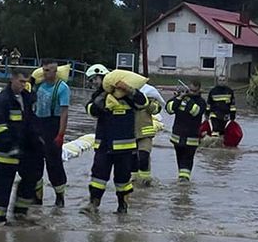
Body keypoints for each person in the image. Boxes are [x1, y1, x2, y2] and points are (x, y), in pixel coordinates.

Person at [81, 81, 148, 215]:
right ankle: (93, 203)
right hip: (104, 145)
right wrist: (103, 97)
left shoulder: (130, 97)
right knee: (98, 177)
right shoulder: (100, 96)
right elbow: (91, 110)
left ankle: (122, 205)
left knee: (123, 179)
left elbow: (143, 103)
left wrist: (129, 89)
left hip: (125, 147)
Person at [0, 69, 43, 225]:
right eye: (20, 81)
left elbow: (30, 122)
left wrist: (38, 140)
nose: (23, 85)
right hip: (6, 151)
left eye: (26, 82)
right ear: (12, 79)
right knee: (3, 184)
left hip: (24, 149)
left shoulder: (26, 98)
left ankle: (20, 212)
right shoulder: (2, 100)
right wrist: (11, 146)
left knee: (32, 177)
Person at [32, 58, 70, 207]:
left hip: (53, 125)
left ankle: (59, 196)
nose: (47, 73)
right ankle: (37, 197)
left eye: (50, 70)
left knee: (54, 164)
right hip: (38, 125)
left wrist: (61, 134)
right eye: (45, 70)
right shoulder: (38, 85)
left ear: (56, 71)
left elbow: (64, 113)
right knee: (35, 163)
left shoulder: (62, 88)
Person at [165, 80, 206, 182]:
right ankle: (182, 179)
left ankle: (184, 180)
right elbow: (169, 109)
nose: (191, 92)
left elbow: (195, 112)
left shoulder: (201, 102)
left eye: (194, 91)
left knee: (187, 159)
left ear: (198, 91)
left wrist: (187, 99)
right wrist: (178, 98)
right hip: (177, 137)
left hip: (191, 138)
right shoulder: (179, 99)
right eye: (190, 90)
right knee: (180, 159)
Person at [131, 93, 162, 186]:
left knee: (143, 156)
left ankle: (145, 181)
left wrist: (146, 101)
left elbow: (155, 109)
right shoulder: (126, 96)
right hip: (130, 134)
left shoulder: (149, 96)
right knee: (132, 159)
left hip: (145, 134)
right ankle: (135, 180)